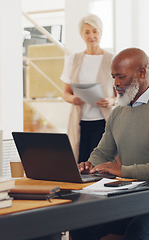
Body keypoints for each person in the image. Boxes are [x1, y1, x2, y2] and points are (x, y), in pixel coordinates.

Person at [70, 48, 149, 240]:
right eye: (113, 77)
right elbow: (103, 152)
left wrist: (123, 171)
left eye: (121, 77)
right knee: (81, 225)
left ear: (142, 73)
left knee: (138, 232)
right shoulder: (118, 113)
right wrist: (89, 165)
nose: (116, 84)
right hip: (136, 196)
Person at [61, 14, 116, 163]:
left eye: (95, 31)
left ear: (101, 33)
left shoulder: (112, 59)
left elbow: (121, 94)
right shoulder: (74, 59)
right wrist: (73, 98)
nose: (91, 36)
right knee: (80, 161)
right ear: (81, 35)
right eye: (87, 32)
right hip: (80, 121)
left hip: (103, 122)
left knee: (99, 163)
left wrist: (111, 100)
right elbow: (65, 93)